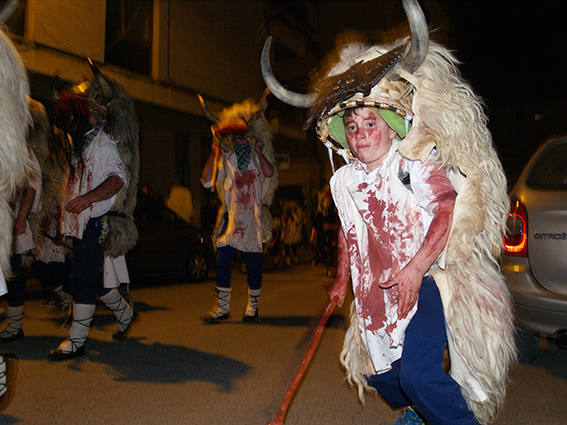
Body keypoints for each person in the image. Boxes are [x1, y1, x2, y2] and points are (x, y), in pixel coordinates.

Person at [261, 1, 516, 424]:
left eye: (370, 123)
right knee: (381, 376)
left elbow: (447, 206)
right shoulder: (345, 181)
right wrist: (340, 279)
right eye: (352, 127)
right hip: (378, 289)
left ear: (389, 124)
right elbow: (349, 229)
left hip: (430, 281)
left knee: (417, 373)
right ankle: (422, 408)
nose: (361, 135)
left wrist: (416, 269)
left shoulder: (413, 163)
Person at [47, 87, 136, 360]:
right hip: (79, 224)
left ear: (91, 117)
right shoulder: (79, 147)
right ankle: (125, 313)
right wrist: (62, 222)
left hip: (96, 223)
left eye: (75, 117)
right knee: (91, 279)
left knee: (82, 279)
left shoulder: (103, 145)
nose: (71, 124)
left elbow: (118, 178)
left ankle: (77, 340)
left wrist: (89, 198)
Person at [199, 90, 277, 323]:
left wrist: (260, 151)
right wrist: (214, 153)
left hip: (252, 218)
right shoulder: (227, 159)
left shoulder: (256, 157)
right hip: (232, 217)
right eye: (236, 137)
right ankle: (222, 307)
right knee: (222, 259)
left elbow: (269, 173)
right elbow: (206, 182)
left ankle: (252, 306)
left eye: (243, 136)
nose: (240, 140)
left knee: (253, 265)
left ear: (250, 137)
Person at [310, 190, 339, 269]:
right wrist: (312, 235)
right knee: (318, 247)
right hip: (321, 235)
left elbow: (337, 225)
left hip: (330, 235)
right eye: (325, 202)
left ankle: (330, 264)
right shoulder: (319, 214)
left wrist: (329, 226)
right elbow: (315, 226)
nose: (327, 204)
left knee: (331, 249)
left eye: (328, 202)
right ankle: (317, 260)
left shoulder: (333, 214)